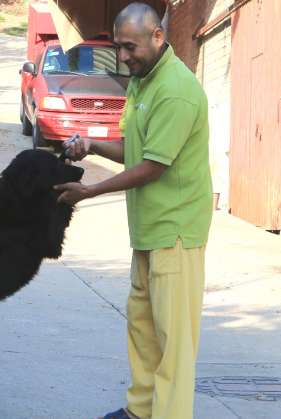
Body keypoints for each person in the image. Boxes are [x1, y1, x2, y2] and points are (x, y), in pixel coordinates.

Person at [53, 3, 213, 419]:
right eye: (119, 47)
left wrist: (90, 192)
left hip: (175, 233)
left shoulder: (176, 90)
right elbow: (134, 149)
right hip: (146, 230)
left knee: (173, 344)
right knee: (142, 330)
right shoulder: (143, 82)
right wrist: (91, 143)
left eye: (129, 47)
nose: (123, 56)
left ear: (157, 37)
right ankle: (141, 411)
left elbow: (152, 167)